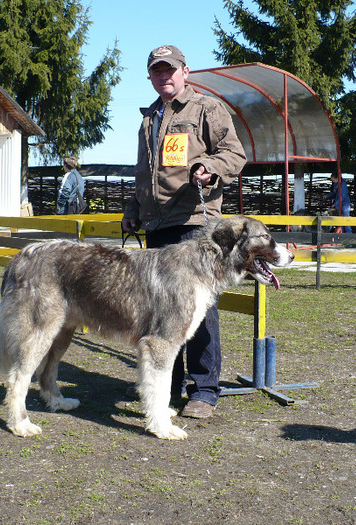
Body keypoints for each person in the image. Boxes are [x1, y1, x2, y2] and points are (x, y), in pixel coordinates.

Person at [121, 45, 247, 419]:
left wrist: (208, 166)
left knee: (198, 310)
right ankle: (168, 389)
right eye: (157, 71)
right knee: (161, 310)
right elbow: (145, 176)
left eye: (170, 69)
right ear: (150, 76)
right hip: (157, 225)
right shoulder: (148, 119)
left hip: (195, 222)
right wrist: (133, 210)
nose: (165, 76)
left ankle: (204, 390)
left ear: (185, 71)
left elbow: (234, 154)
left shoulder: (206, 109)